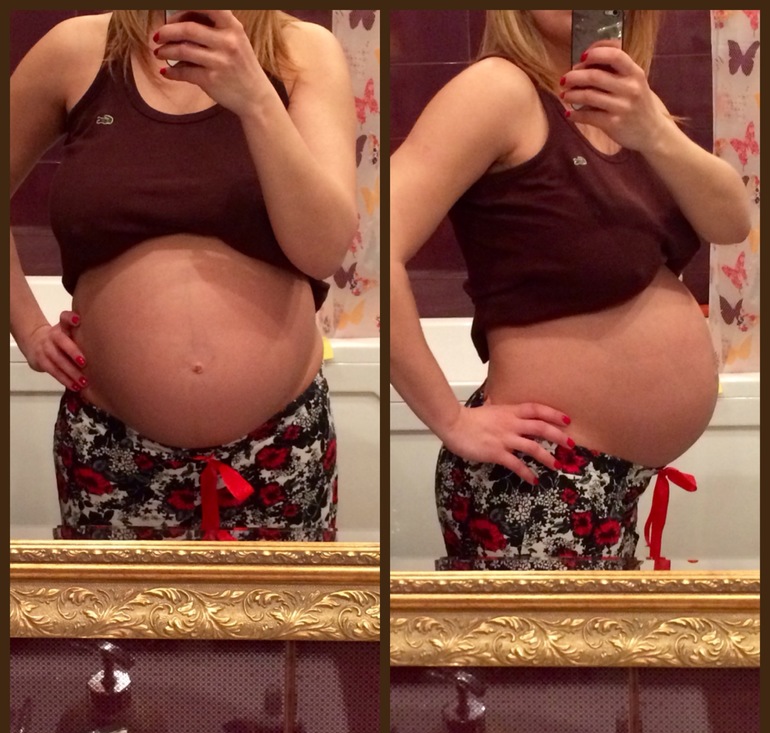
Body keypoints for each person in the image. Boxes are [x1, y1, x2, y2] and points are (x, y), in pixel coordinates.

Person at [390, 10, 751, 570]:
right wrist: (451, 421)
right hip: (542, 479)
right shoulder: (498, 90)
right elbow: (374, 242)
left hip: (611, 483)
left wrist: (653, 130)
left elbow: (730, 222)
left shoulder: (623, 102)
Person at [10, 10, 357, 541]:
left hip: (279, 446)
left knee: (285, 601)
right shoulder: (75, 49)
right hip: (109, 447)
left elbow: (323, 251)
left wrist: (256, 98)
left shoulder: (304, 51)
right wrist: (28, 328)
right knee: (111, 601)